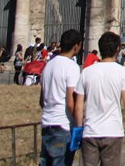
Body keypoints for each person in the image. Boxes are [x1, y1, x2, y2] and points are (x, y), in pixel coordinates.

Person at [73, 31, 125, 166]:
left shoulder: (86, 72)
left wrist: (78, 131)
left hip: (90, 132)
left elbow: (78, 107)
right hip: (112, 132)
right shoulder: (123, 73)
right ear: (117, 49)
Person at [40, 29, 83, 166]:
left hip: (47, 124)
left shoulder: (48, 65)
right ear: (76, 46)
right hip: (63, 125)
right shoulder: (72, 67)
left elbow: (41, 100)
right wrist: (79, 125)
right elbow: (71, 103)